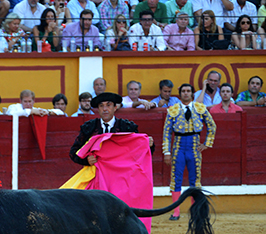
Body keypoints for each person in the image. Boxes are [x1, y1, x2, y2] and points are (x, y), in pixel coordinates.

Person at [162, 83, 216, 220]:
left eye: (188, 91)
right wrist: (167, 152)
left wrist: (207, 144)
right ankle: (176, 212)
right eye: (183, 91)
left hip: (194, 147)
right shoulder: (172, 110)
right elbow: (167, 133)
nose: (186, 93)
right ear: (180, 94)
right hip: (178, 147)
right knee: (176, 179)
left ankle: (195, 211)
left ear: (192, 94)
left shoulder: (200, 108)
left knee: (195, 180)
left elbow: (212, 125)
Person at [69, 91, 149, 166]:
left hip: (120, 173)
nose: (104, 109)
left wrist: (149, 145)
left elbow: (139, 150)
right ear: (98, 109)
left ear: (115, 107)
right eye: (101, 106)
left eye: (108, 105)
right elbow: (73, 152)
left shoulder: (127, 127)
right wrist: (86, 160)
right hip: (97, 174)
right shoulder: (89, 127)